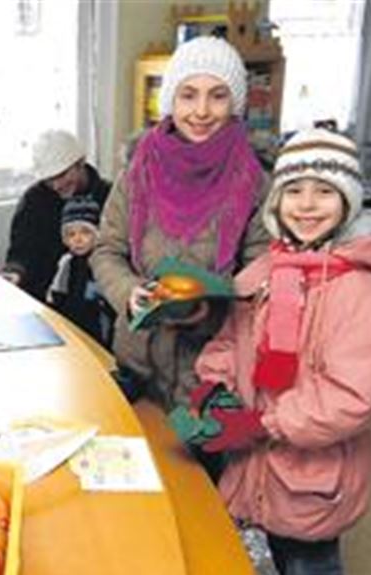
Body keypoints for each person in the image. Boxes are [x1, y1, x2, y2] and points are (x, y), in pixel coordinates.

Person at [192, 129, 371, 575]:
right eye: (294, 191)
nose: (307, 204)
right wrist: (216, 388)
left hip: (312, 478)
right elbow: (229, 341)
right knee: (257, 564)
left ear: (347, 201)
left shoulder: (359, 290)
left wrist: (265, 422)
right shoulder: (265, 271)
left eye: (324, 191)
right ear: (277, 202)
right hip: (257, 463)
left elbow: (352, 396)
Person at [90, 36, 270, 416]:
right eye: (188, 95)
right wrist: (129, 292)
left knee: (193, 474)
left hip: (207, 376)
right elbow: (107, 249)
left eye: (217, 96)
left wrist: (213, 306)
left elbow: (263, 276)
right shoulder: (138, 170)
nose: (201, 111)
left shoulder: (254, 182)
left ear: (235, 102)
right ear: (171, 99)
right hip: (135, 363)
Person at [4, 129, 112, 299]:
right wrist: (15, 271)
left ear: (81, 163)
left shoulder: (109, 196)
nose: (56, 185)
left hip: (96, 300)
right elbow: (22, 249)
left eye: (61, 175)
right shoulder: (34, 199)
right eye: (49, 179)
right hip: (43, 299)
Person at [47, 198, 115, 348]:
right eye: (71, 234)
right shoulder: (66, 263)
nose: (78, 239)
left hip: (100, 327)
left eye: (85, 232)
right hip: (72, 325)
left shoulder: (105, 262)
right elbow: (57, 295)